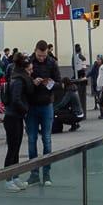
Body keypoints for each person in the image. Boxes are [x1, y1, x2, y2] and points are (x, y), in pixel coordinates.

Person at [25, 41, 61, 186]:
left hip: (46, 104)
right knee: (32, 139)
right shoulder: (28, 62)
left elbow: (59, 83)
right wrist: (32, 82)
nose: (41, 58)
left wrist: (50, 83)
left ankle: (46, 173)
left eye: (44, 55)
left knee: (46, 139)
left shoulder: (52, 63)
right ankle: (34, 173)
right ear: (35, 51)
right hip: (32, 105)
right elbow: (23, 80)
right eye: (39, 56)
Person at [2, 55, 30, 188]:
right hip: (12, 117)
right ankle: (8, 179)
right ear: (24, 67)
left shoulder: (17, 77)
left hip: (16, 117)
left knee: (16, 148)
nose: (31, 69)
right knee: (12, 149)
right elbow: (16, 99)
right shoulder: (18, 80)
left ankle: (16, 176)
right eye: (29, 67)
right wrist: (25, 109)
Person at [92, 52, 103, 118]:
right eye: (97, 59)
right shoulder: (95, 65)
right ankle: (102, 113)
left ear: (102, 59)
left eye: (99, 59)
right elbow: (91, 72)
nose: (98, 60)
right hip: (97, 84)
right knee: (100, 99)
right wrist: (86, 76)